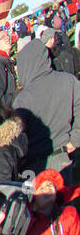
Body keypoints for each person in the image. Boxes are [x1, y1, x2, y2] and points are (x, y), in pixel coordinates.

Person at [13, 38, 80, 184]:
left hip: (35, 165)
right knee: (65, 203)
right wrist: (75, 138)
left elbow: (16, 135)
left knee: (36, 204)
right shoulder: (69, 80)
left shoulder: (23, 99)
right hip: (63, 158)